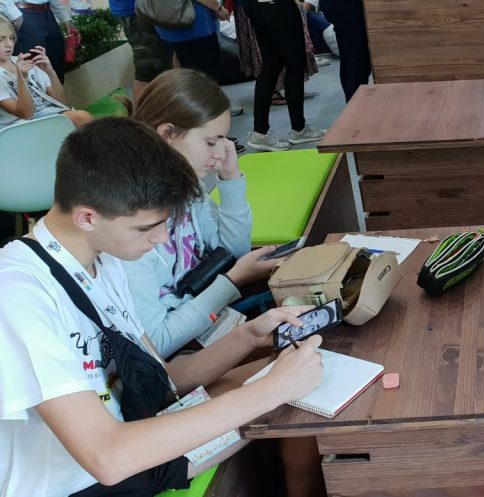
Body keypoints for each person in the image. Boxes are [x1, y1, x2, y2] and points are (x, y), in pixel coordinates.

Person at [0, 117, 325, 496]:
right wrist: (270, 391)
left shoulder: (102, 260)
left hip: (135, 431)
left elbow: (164, 380)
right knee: (285, 392)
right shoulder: (19, 294)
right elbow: (107, 458)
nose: (161, 238)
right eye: (146, 228)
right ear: (87, 217)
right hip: (87, 478)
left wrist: (249, 336)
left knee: (302, 371)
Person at [121, 69, 279, 358]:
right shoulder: (129, 222)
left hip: (206, 315)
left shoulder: (187, 186)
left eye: (224, 140)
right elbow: (158, 342)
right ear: (167, 135)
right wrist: (232, 282)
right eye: (210, 142)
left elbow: (232, 253)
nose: (221, 152)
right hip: (177, 354)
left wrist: (231, 180)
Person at [244, 0, 325, 152]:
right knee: (294, 64)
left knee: (271, 66)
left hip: (255, 6)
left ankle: (261, 131)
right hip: (278, 6)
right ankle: (298, 129)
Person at [1, 18, 92, 128]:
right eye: (1, 40)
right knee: (82, 118)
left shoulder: (23, 62)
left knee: (82, 118)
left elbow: (60, 102)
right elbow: (26, 114)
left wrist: (50, 72)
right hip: (21, 126)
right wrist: (22, 79)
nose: (9, 44)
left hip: (49, 114)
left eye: (11, 38)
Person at [108, 0, 173, 99]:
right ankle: (143, 108)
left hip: (143, 10)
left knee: (156, 69)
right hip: (140, 11)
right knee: (147, 71)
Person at [154, 0, 230, 79]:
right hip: (195, 27)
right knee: (206, 73)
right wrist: (218, 8)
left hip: (166, 21)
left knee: (180, 59)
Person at [9, 0, 77, 82]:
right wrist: (15, 15)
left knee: (57, 67)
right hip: (23, 13)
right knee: (33, 69)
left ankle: (58, 90)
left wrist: (65, 18)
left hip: (48, 12)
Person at [320, 0, 371, 102]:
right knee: (356, 64)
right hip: (349, 11)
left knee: (351, 63)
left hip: (343, 11)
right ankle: (355, 104)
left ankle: (353, 103)